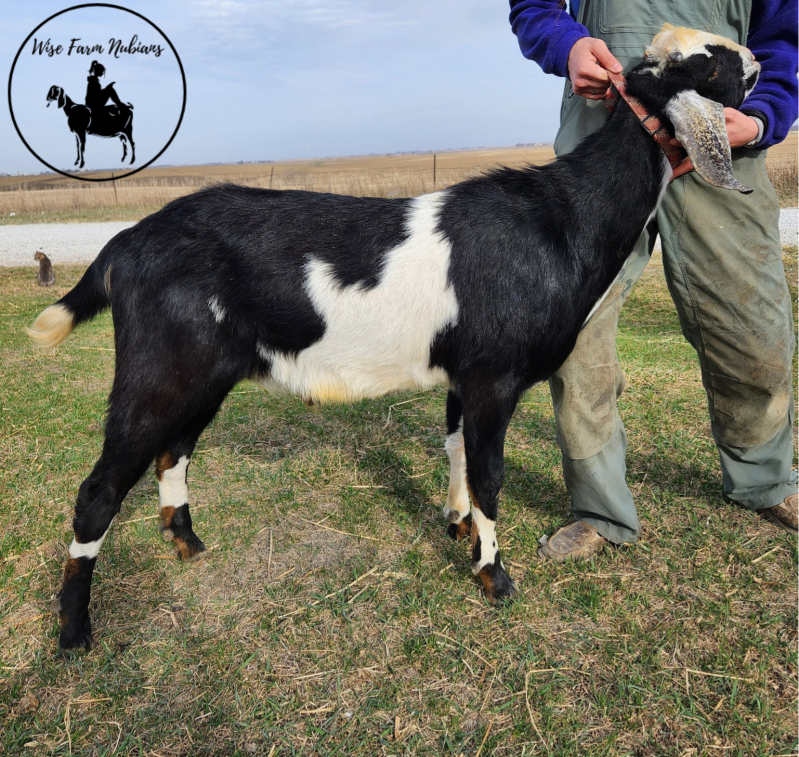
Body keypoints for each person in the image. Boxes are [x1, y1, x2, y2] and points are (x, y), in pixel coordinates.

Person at [508, 0, 799, 560]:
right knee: (577, 334)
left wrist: (762, 116)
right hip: (605, 142)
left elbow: (785, 36)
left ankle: (766, 479)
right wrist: (567, 46)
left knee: (753, 327)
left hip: (723, 138)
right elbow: (535, 5)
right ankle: (598, 507)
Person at [85, 60, 133, 129]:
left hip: (94, 103)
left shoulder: (94, 80)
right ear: (98, 71)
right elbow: (95, 95)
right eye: (102, 71)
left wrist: (106, 89)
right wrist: (107, 88)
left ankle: (120, 104)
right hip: (93, 104)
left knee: (110, 89)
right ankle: (120, 105)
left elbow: (97, 93)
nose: (102, 73)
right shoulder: (93, 82)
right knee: (110, 90)